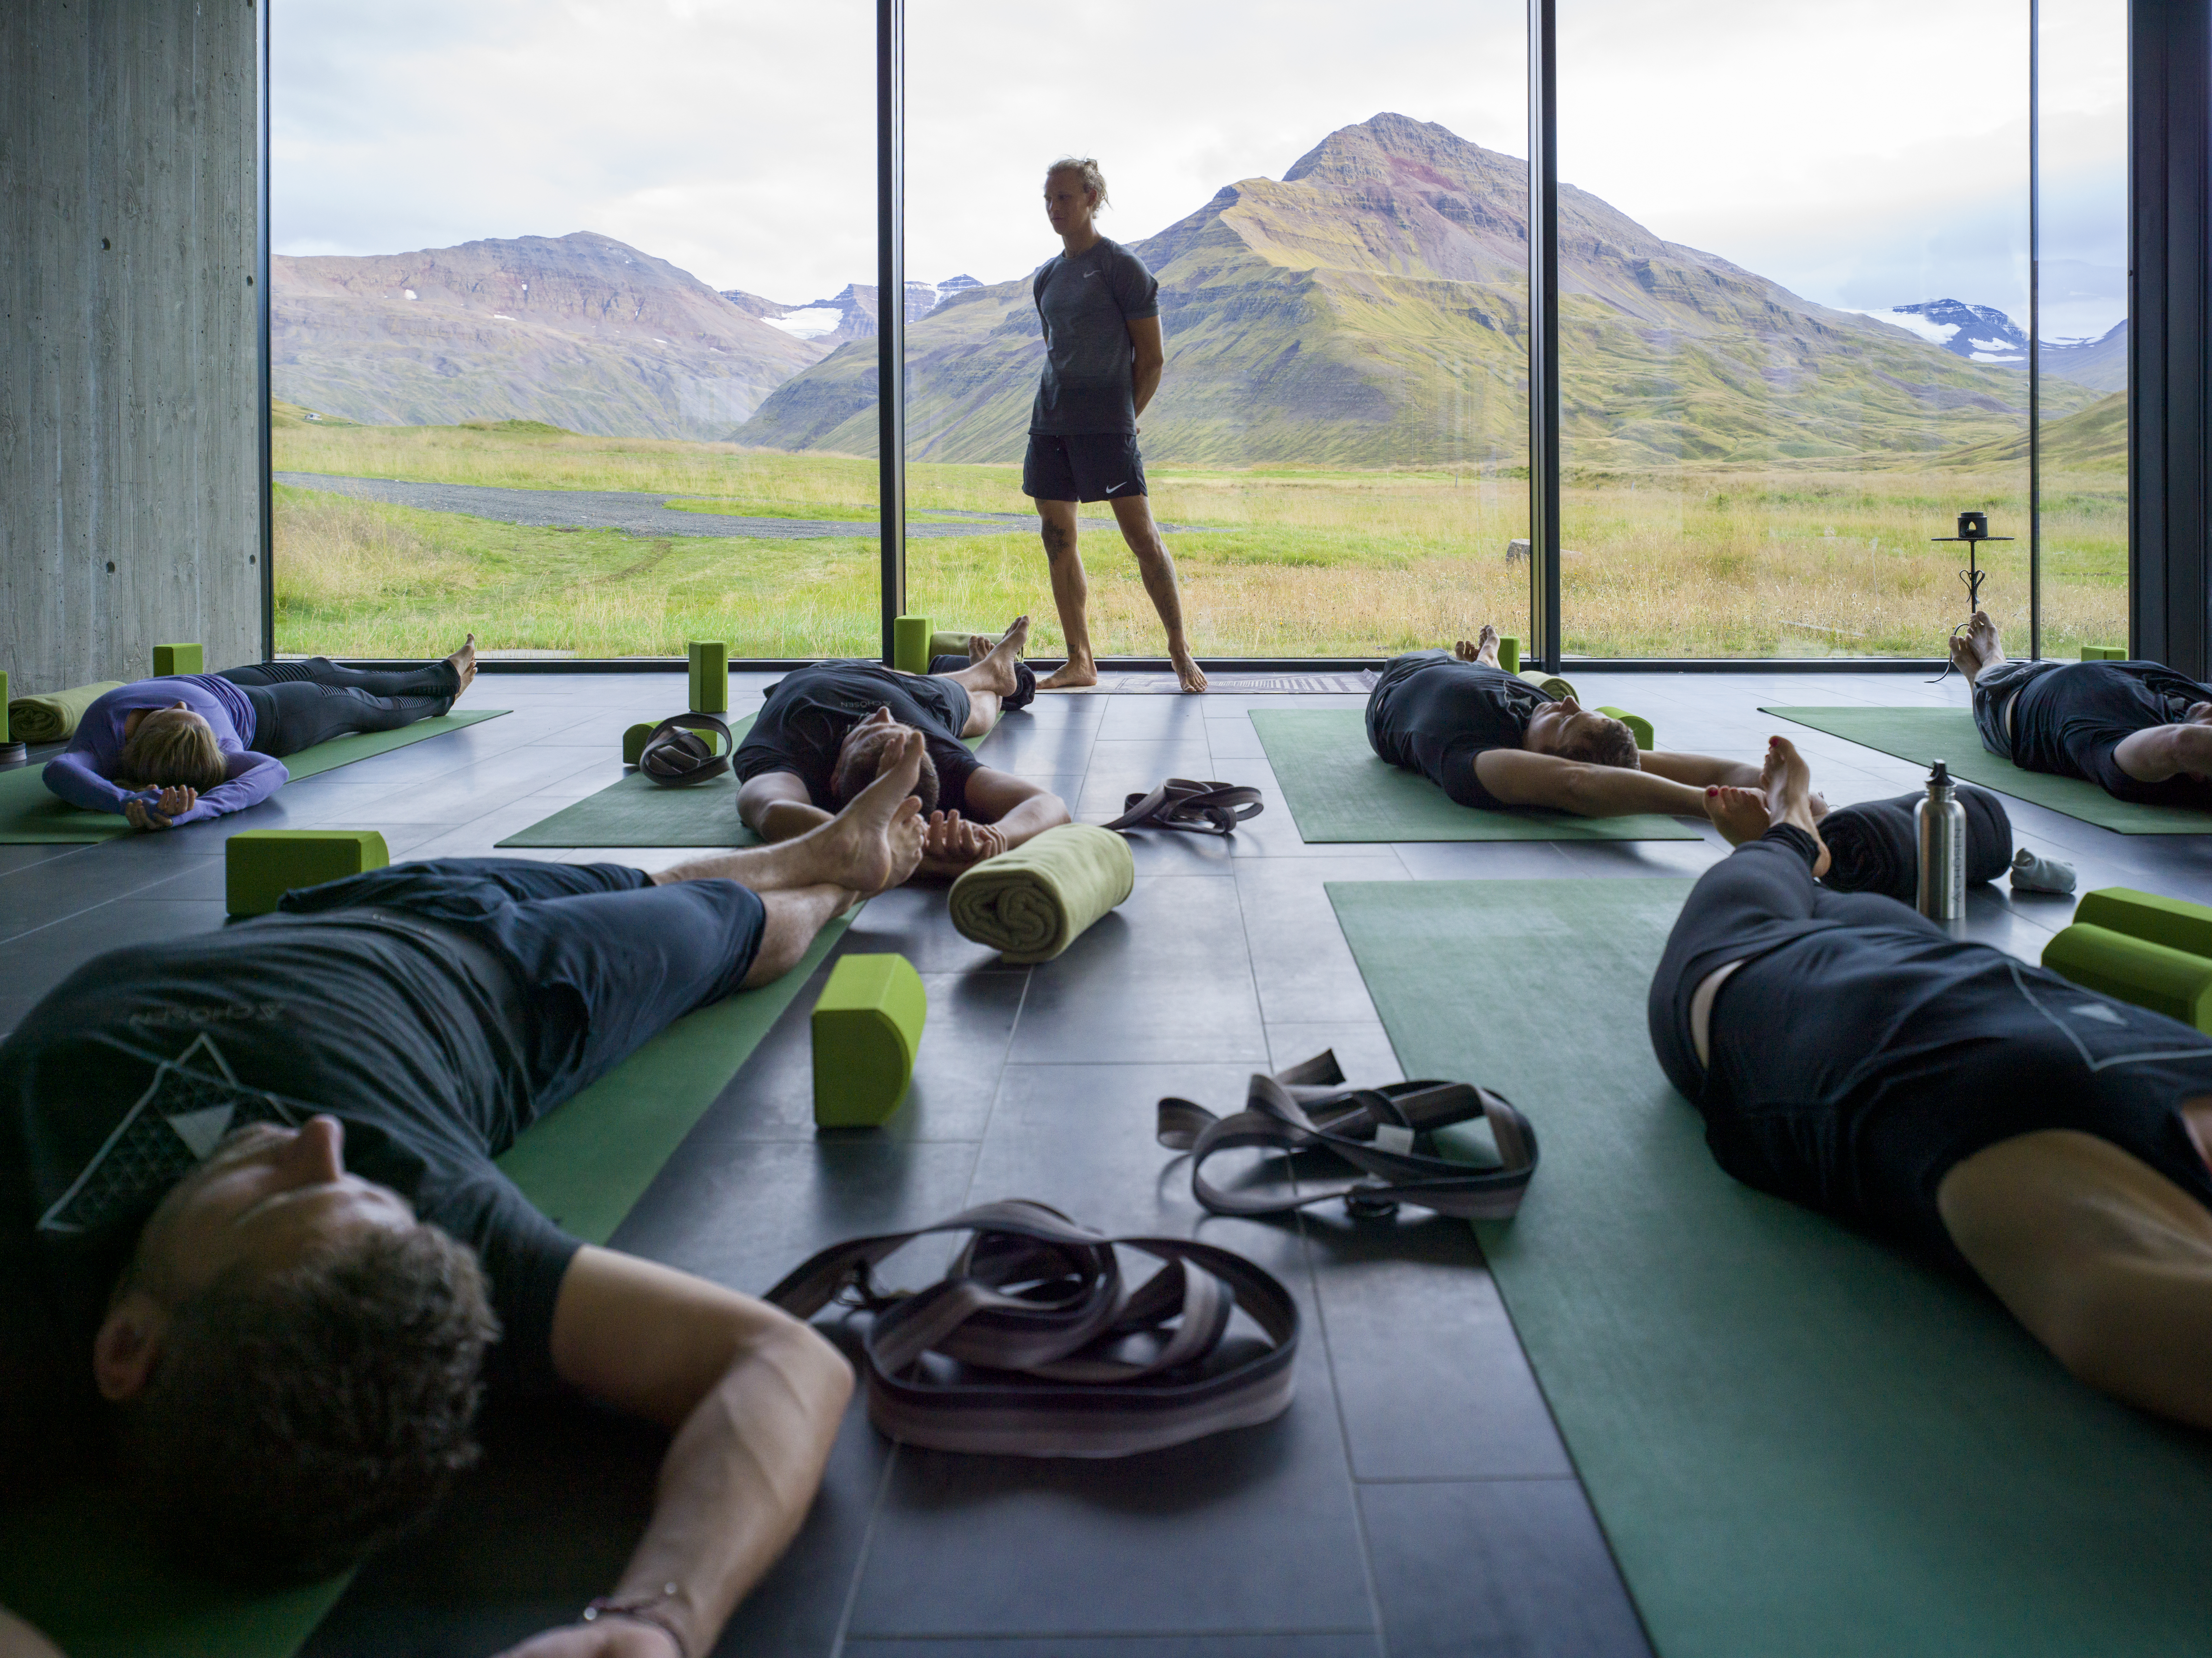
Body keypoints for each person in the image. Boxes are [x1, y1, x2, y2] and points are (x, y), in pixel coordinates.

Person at [0, 734, 939, 1658]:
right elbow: (781, 1363)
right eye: (338, 1187)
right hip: (517, 981)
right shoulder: (410, 1238)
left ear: (128, 1342)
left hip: (319, 917)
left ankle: (822, 848)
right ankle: (844, 878)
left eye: (274, 1200)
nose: (324, 1145)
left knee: (637, 879)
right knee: (722, 924)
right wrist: (658, 1623)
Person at [1656, 735, 2212, 1428]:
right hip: (1933, 973)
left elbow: (2104, 1316)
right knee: (1836, 909)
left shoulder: (2123, 1214)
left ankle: (1793, 831)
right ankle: (1796, 838)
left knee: (1750, 896)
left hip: (1788, 989)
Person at [1024, 157, 1206, 695]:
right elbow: (1059, 351)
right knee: (1057, 536)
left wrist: (1126, 420)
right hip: (1049, 423)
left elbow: (1150, 360)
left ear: (1091, 199)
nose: (1055, 208)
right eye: (1048, 199)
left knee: (1142, 538)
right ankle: (1080, 660)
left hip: (1107, 427)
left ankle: (1178, 649)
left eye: (1064, 198)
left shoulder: (1121, 268)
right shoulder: (1046, 278)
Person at [735, 616, 1071, 878]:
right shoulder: (924, 748)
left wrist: (990, 838)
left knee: (943, 693)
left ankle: (987, 671)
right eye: (893, 726)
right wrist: (987, 841)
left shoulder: (789, 749)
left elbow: (771, 811)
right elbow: (1051, 806)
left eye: (868, 730)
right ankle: (990, 673)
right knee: (978, 714)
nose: (882, 714)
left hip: (824, 679)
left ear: (835, 777)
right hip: (907, 691)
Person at [42, 640, 480, 831]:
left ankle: (440, 673)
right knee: (365, 705)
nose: (181, 706)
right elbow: (271, 771)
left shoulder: (99, 741)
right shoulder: (224, 748)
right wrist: (199, 809)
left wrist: (127, 802)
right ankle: (444, 694)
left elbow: (58, 771)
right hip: (274, 715)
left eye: (178, 714)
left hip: (225, 680)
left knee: (330, 669)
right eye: (184, 716)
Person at [1367, 626, 1781, 816]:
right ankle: (1486, 655)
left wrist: (1710, 806)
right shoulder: (1547, 714)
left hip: (1401, 679)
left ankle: (1484, 658)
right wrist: (1783, 790)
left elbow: (1577, 783)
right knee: (1495, 673)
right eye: (1580, 711)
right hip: (1472, 674)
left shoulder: (1478, 758)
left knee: (1492, 674)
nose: (1568, 705)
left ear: (1551, 759)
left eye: (1570, 722)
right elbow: (1718, 769)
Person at [1951, 609, 2212, 804]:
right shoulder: (2198, 703)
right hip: (2059, 674)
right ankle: (1987, 673)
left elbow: (2181, 744)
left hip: (2015, 704)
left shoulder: (2133, 757)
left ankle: (1987, 665)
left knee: (1990, 688)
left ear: (2197, 771)